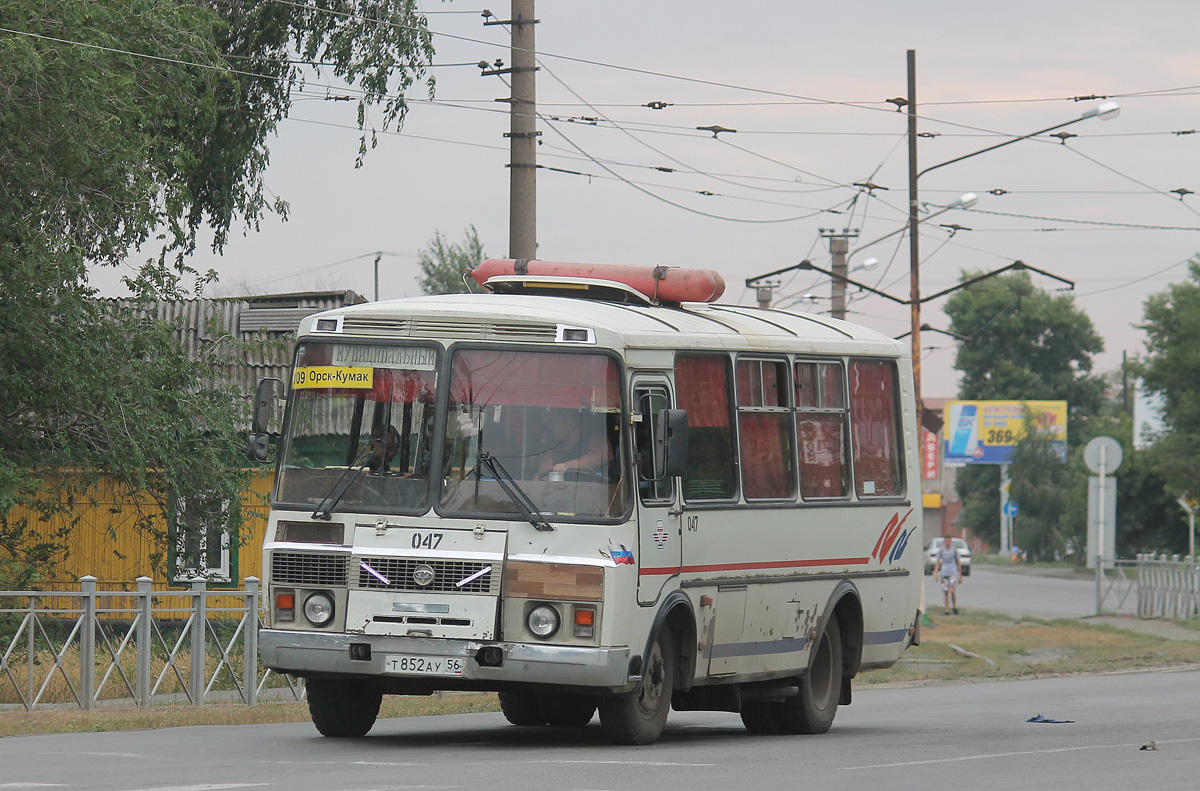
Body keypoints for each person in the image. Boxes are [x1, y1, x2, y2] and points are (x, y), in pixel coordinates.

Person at [538, 410, 609, 479]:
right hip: (562, 490)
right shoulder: (555, 449)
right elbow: (541, 475)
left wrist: (567, 465)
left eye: (549, 421)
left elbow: (600, 456)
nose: (548, 427)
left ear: (563, 420)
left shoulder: (595, 437)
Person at [934, 536, 963, 615]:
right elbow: (938, 562)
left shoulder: (954, 551)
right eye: (945, 541)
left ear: (950, 542)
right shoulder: (941, 551)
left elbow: (958, 563)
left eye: (948, 541)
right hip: (944, 573)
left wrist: (960, 576)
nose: (947, 543)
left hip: (953, 572)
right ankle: (947, 609)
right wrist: (936, 573)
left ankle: (954, 606)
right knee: (946, 592)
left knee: (952, 590)